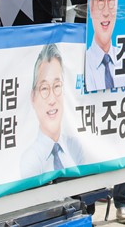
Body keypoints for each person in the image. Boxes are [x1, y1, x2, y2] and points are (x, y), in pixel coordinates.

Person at [21, 43, 83, 178]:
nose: (52, 99)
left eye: (57, 86)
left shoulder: (76, 147)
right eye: (44, 88)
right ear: (33, 97)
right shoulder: (29, 161)